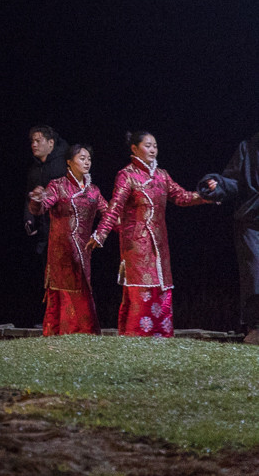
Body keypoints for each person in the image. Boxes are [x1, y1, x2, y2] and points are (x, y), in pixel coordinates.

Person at [89, 131, 211, 337]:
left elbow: (182, 197)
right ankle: (136, 334)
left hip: (160, 244)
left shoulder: (162, 175)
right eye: (147, 145)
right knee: (141, 289)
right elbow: (114, 208)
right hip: (135, 244)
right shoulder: (126, 175)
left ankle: (161, 336)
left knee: (162, 287)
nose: (153, 149)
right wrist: (100, 234)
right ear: (134, 149)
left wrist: (208, 195)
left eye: (155, 145)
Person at [28, 143, 107, 335]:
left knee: (83, 289)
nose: (87, 162)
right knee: (62, 290)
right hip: (61, 252)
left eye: (89, 159)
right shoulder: (58, 186)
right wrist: (37, 199)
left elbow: (108, 212)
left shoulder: (93, 191)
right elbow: (42, 207)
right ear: (69, 163)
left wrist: (100, 233)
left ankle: (84, 333)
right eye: (82, 158)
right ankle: (59, 332)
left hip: (83, 251)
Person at [200, 130, 259, 345]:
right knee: (254, 274)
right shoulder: (248, 147)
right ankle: (256, 327)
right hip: (251, 220)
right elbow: (234, 180)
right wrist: (218, 185)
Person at [25, 126, 69, 252]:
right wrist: (29, 218)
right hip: (43, 232)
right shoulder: (34, 169)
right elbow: (28, 196)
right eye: (33, 141)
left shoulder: (64, 163)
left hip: (63, 228)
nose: (34, 145)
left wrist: (47, 193)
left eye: (38, 141)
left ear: (51, 143)